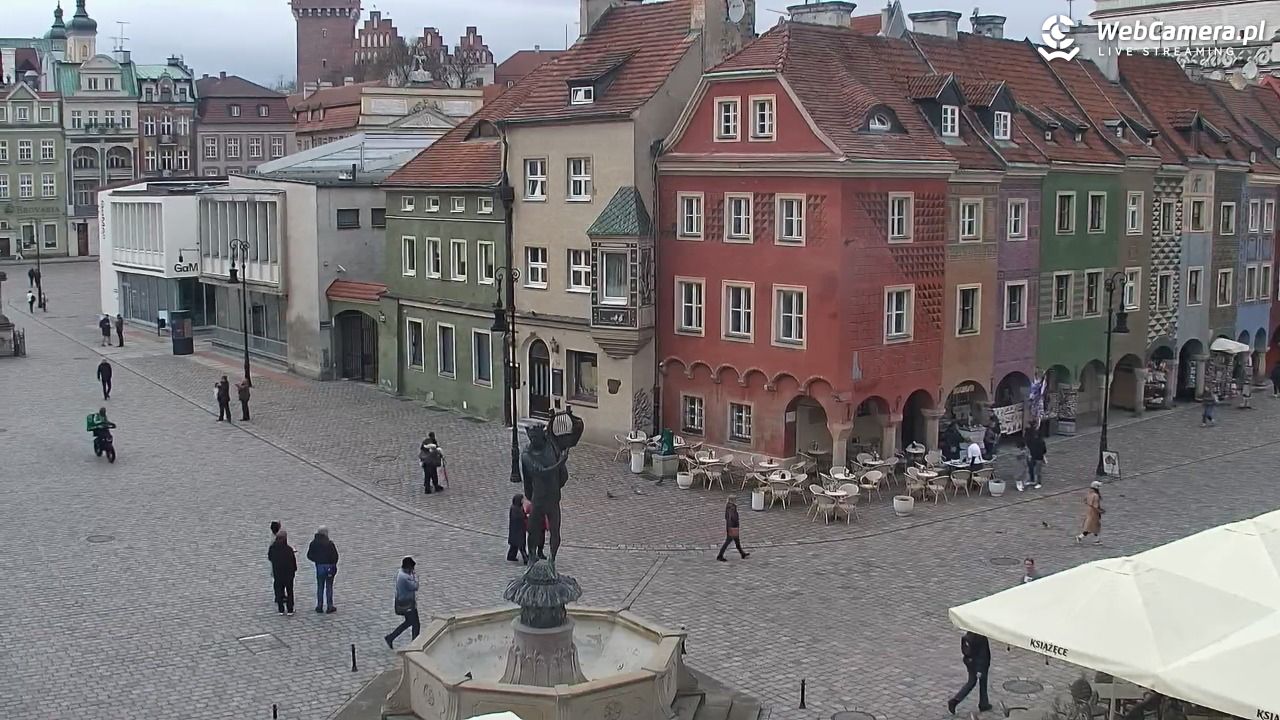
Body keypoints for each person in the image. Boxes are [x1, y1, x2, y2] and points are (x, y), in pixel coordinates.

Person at [947, 631, 992, 715]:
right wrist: (979, 669)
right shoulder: (980, 638)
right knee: (975, 682)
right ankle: (955, 701)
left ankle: (984, 703)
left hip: (970, 662)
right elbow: (982, 654)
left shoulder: (969, 635)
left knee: (976, 681)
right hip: (979, 664)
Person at [385, 557, 420, 647]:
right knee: (415, 624)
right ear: (408, 567)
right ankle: (415, 644)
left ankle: (391, 637)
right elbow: (415, 586)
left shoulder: (400, 572)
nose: (413, 570)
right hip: (407, 604)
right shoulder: (405, 577)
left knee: (409, 622)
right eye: (412, 568)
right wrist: (415, 577)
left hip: (404, 601)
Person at [306, 526, 339, 614]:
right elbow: (335, 557)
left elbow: (309, 555)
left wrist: (317, 560)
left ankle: (319, 606)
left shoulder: (313, 543)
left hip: (319, 567)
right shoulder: (329, 544)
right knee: (329, 587)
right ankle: (329, 606)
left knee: (320, 587)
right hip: (329, 568)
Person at [267, 529, 297, 616]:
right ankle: (290, 609)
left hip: (277, 573)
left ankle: (281, 609)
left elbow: (270, 557)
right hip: (288, 574)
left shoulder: (272, 548)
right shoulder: (288, 549)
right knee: (289, 591)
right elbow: (293, 562)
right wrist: (294, 570)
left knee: (279, 591)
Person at [716, 498, 750, 562]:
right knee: (728, 541)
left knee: (737, 541)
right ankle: (720, 556)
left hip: (729, 526)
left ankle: (742, 553)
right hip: (733, 527)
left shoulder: (728, 507)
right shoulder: (732, 508)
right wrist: (735, 525)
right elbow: (733, 518)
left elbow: (726, 517)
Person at [507, 494, 528, 563]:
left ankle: (511, 556)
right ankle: (525, 558)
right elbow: (519, 517)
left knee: (514, 545)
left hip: (519, 529)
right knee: (520, 545)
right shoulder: (515, 509)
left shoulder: (519, 507)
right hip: (517, 530)